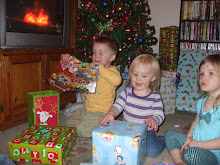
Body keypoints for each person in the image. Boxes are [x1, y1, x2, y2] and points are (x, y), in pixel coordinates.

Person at [99, 54, 166, 158]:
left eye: (144, 76)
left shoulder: (155, 97)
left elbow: (160, 115)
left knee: (152, 151)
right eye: (135, 74)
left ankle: (163, 140)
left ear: (153, 78)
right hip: (127, 130)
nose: (138, 79)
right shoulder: (126, 93)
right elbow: (117, 106)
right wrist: (111, 113)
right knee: (115, 146)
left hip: (147, 133)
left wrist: (154, 119)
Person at [165, 54, 220, 165]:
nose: (203, 77)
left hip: (213, 153)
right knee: (170, 134)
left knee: (191, 154)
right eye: (201, 74)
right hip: (195, 142)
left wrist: (198, 145)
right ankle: (179, 162)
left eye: (211, 73)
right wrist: (189, 138)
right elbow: (196, 121)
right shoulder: (201, 101)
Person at [66, 36, 122, 137]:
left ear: (112, 57)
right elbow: (79, 72)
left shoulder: (112, 71)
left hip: (101, 112)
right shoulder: (92, 69)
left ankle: (105, 124)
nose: (96, 56)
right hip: (87, 109)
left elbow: (117, 81)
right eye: (94, 52)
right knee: (69, 121)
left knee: (82, 131)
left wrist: (100, 69)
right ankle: (90, 123)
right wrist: (70, 60)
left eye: (100, 53)